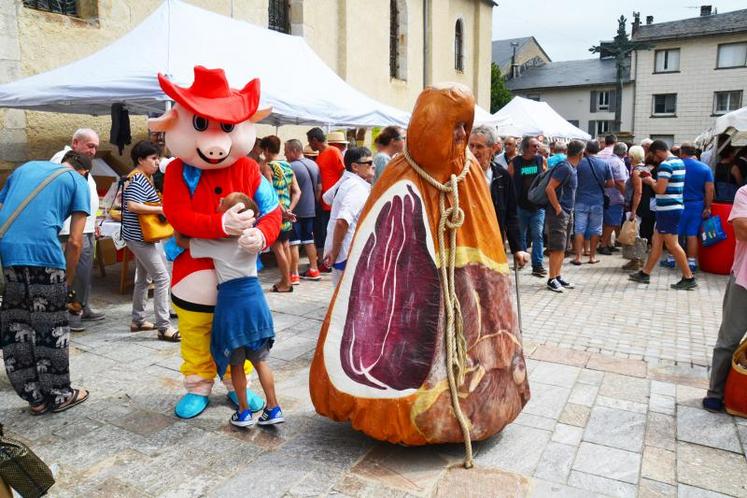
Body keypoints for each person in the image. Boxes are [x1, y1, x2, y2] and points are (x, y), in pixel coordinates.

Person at [178, 192, 283, 427]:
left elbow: (182, 241)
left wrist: (181, 220)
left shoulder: (217, 243)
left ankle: (244, 412)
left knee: (236, 362)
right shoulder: (252, 239)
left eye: (223, 205)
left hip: (232, 304)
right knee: (260, 361)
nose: (218, 204)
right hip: (255, 301)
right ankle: (273, 407)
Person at [0, 150, 92, 414]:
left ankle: (34, 398)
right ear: (84, 171)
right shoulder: (78, 182)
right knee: (50, 329)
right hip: (45, 258)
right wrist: (67, 284)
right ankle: (60, 395)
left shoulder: (25, 168)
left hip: (9, 256)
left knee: (18, 326)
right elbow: (75, 242)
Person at [121, 140, 180, 341]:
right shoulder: (138, 178)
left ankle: (138, 319)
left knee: (144, 279)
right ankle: (164, 326)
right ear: (140, 160)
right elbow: (132, 206)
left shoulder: (142, 177)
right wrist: (160, 209)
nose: (157, 163)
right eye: (153, 158)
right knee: (162, 277)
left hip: (140, 236)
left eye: (157, 158)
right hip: (140, 236)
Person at [51, 128, 105, 331]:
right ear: (75, 143)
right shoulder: (63, 160)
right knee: (74, 272)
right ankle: (71, 313)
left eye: (95, 148)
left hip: (86, 226)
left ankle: (82, 306)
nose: (93, 151)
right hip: (70, 228)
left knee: (84, 272)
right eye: (90, 146)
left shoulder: (82, 163)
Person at [702, 185, 747, 412]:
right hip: (744, 281)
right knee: (729, 339)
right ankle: (716, 392)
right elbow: (742, 230)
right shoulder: (745, 193)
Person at [629, 140, 696, 290]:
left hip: (668, 209)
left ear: (658, 152)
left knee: (672, 245)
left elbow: (660, 189)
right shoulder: (679, 162)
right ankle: (645, 273)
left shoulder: (665, 165)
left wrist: (649, 180)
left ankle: (688, 277)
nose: (654, 158)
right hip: (672, 207)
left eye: (653, 155)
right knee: (657, 242)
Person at [468, 125, 529, 267]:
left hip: (493, 243)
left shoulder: (502, 176)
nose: (473, 151)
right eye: (471, 146)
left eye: (479, 147)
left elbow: (511, 215)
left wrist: (518, 248)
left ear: (494, 148)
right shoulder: (460, 175)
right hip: (467, 245)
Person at [322, 147, 374, 286]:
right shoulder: (357, 187)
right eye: (368, 163)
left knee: (343, 298)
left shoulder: (350, 181)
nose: (373, 165)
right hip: (348, 253)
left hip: (345, 251)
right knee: (348, 300)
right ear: (355, 167)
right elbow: (342, 222)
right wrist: (335, 251)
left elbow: (326, 198)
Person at [261, 135, 301, 293]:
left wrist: (283, 212)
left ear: (266, 150)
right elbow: (297, 192)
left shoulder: (268, 166)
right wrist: (289, 210)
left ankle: (285, 283)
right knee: (286, 245)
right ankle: (287, 279)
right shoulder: (288, 166)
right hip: (287, 213)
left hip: (276, 213)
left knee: (278, 248)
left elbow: (270, 193)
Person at [545, 140, 583, 292]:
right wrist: (558, 208)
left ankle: (558, 276)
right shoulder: (564, 168)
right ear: (580, 154)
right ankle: (552, 278)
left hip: (567, 212)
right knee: (557, 247)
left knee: (563, 247)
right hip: (560, 213)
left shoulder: (571, 168)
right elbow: (550, 188)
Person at [284, 138, 322, 283]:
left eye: (286, 151)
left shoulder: (290, 167)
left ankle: (294, 274)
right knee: (309, 239)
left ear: (294, 151)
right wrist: (313, 203)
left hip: (296, 210)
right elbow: (319, 188)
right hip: (311, 209)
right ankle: (314, 269)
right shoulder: (314, 164)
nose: (285, 154)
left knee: (294, 242)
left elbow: (289, 190)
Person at [308, 127, 345, 272]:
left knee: (328, 232)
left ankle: (328, 261)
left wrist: (336, 192)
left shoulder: (333, 151)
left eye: (310, 141)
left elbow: (343, 171)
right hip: (323, 201)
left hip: (331, 201)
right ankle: (324, 260)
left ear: (315, 140)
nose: (310, 145)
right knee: (322, 232)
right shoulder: (321, 154)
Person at [508, 136, 546, 277]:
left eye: (537, 146)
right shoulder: (515, 162)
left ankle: (537, 265)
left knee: (538, 235)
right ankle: (522, 261)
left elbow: (545, 179)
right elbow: (508, 180)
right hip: (521, 206)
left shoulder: (540, 160)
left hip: (537, 206)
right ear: (526, 147)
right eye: (534, 146)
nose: (537, 148)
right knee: (521, 235)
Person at [572, 140, 613, 265]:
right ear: (598, 149)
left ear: (586, 150)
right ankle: (592, 256)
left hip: (580, 200)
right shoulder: (604, 164)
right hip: (597, 201)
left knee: (579, 228)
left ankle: (578, 257)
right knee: (595, 229)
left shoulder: (579, 163)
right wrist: (601, 184)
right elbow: (611, 183)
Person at [678, 142, 714, 271]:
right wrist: (708, 207)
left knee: (676, 233)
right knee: (692, 234)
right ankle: (692, 262)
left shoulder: (677, 165)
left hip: (679, 203)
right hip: (697, 204)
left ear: (682, 152)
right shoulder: (705, 168)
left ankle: (672, 259)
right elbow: (709, 190)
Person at [623, 145, 655, 271]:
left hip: (637, 206)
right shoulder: (645, 168)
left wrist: (634, 210)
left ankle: (637, 260)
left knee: (634, 233)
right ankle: (637, 259)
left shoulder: (637, 171)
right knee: (637, 232)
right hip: (644, 205)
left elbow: (638, 192)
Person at [598, 142, 629, 255]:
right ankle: (604, 245)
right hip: (615, 197)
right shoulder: (618, 163)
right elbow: (620, 182)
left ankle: (608, 244)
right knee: (611, 222)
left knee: (608, 222)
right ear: (625, 153)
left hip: (607, 196)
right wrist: (627, 196)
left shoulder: (609, 160)